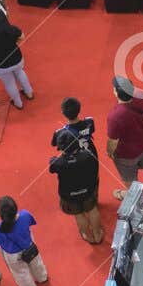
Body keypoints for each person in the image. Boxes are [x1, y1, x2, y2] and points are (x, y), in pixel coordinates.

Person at [52, 104, 105, 243]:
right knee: (92, 208)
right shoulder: (89, 123)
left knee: (79, 214)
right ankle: (98, 233)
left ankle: (87, 235)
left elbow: (54, 146)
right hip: (88, 178)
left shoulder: (59, 136)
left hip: (70, 191)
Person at [106, 75, 143, 199]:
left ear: (116, 92)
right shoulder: (141, 95)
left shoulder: (115, 116)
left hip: (126, 154)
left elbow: (113, 141)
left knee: (129, 178)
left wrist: (109, 152)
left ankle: (139, 197)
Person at [0, 197, 50, 286]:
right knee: (36, 263)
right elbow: (32, 223)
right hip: (29, 246)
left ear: (0, 214)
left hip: (13, 255)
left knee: (21, 274)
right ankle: (42, 277)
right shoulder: (25, 214)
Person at [0, 9, 33, 110]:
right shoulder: (13, 29)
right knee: (20, 73)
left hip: (2, 66)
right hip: (17, 59)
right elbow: (22, 37)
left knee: (9, 83)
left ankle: (18, 104)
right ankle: (29, 93)